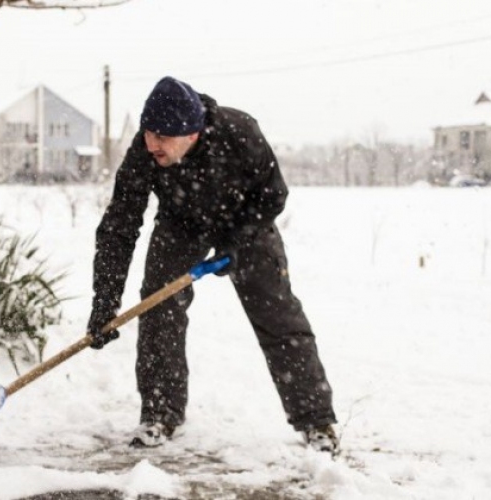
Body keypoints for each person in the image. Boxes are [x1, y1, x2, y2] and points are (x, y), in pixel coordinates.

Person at [86, 76, 338, 455]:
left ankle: (317, 422)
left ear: (192, 133)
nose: (152, 142)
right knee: (158, 307)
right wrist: (105, 301)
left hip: (246, 221)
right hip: (180, 224)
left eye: (162, 136)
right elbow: (119, 225)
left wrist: (236, 240)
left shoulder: (240, 133)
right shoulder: (144, 151)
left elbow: (273, 195)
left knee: (278, 316)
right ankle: (160, 412)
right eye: (148, 132)